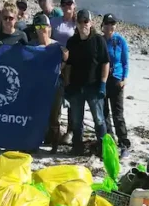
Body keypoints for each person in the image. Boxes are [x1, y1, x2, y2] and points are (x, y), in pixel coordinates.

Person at [63, 9, 109, 155]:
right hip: (76, 88)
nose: (83, 24)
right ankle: (77, 146)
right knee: (76, 120)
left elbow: (105, 63)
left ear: (91, 22)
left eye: (86, 21)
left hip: (94, 88)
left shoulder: (98, 40)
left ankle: (103, 147)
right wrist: (67, 85)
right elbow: (68, 65)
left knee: (99, 119)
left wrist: (102, 83)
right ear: (76, 24)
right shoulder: (71, 42)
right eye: (80, 21)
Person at [30, 13, 68, 147]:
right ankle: (35, 140)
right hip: (38, 85)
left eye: (44, 26)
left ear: (49, 28)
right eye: (38, 26)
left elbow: (66, 62)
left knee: (54, 116)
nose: (41, 29)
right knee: (38, 114)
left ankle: (54, 143)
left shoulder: (57, 46)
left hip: (55, 85)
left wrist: (64, 57)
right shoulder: (32, 46)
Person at [101, 14, 130, 151]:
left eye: (112, 24)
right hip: (103, 79)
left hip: (117, 80)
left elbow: (125, 62)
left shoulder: (120, 41)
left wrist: (124, 78)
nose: (110, 26)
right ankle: (110, 138)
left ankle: (123, 141)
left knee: (118, 114)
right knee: (104, 112)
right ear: (103, 26)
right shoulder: (100, 40)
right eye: (107, 23)